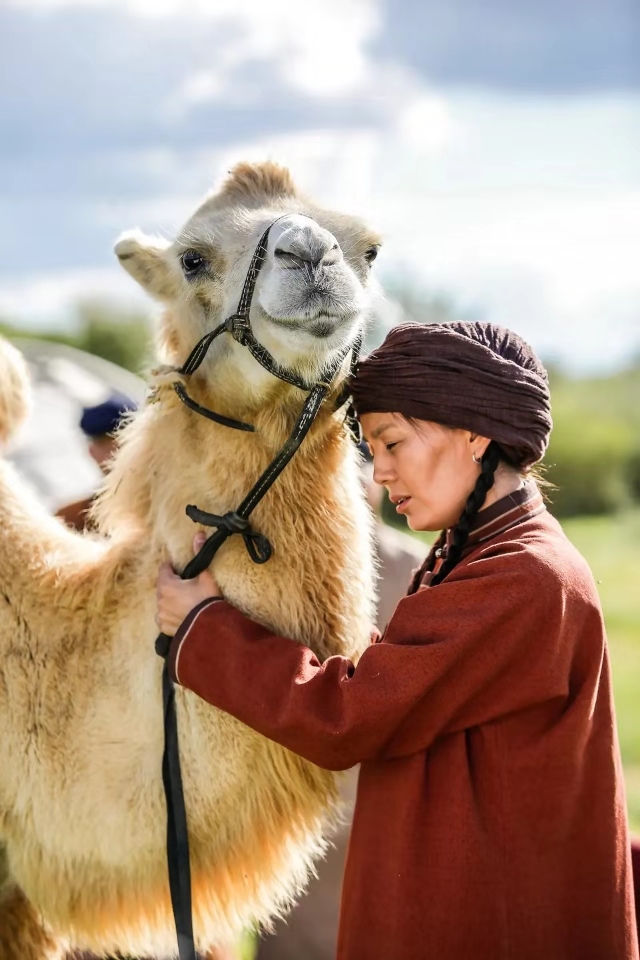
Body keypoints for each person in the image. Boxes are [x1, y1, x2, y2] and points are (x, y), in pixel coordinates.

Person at [155, 322, 639, 960]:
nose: (379, 474)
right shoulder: (482, 553)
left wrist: (203, 627)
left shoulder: (522, 574)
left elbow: (351, 715)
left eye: (391, 442)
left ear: (473, 433)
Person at [56, 393, 136, 531]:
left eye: (125, 440)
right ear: (92, 451)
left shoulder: (167, 508)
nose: (118, 450)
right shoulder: (72, 519)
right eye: (105, 442)